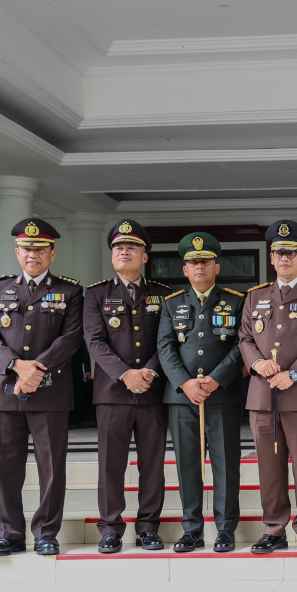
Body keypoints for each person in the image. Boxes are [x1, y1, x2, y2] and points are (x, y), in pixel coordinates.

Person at [0, 218, 84, 556]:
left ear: (52, 253)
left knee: (51, 466)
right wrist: (17, 365)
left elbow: (71, 338)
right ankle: (8, 533)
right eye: (26, 248)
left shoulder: (70, 291)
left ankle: (46, 532)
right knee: (3, 467)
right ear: (17, 252)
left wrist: (37, 370)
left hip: (50, 389)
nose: (32, 254)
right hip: (4, 390)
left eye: (39, 249)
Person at [238, 220, 297, 554]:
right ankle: (274, 529)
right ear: (271, 256)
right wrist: (257, 364)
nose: (284, 258)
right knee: (269, 467)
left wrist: (292, 374)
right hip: (262, 395)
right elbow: (245, 337)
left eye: (291, 253)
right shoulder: (255, 297)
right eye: (279, 253)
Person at [83, 220, 172, 554]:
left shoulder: (163, 294)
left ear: (144, 256)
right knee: (110, 464)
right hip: (111, 393)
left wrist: (147, 371)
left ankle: (148, 527)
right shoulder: (96, 294)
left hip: (152, 391)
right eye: (118, 248)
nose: (123, 252)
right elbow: (94, 340)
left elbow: (167, 342)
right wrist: (125, 374)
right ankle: (111, 528)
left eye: (131, 247)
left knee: (153, 463)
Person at [157, 231, 246, 553]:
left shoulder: (237, 301)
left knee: (226, 464)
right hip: (182, 398)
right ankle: (191, 529)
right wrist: (185, 382)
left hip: (222, 395)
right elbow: (164, 347)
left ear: (216, 266)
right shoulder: (171, 304)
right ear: (184, 269)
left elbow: (241, 345)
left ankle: (225, 529)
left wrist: (217, 378)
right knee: (188, 466)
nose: (198, 267)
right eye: (192, 263)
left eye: (205, 261)